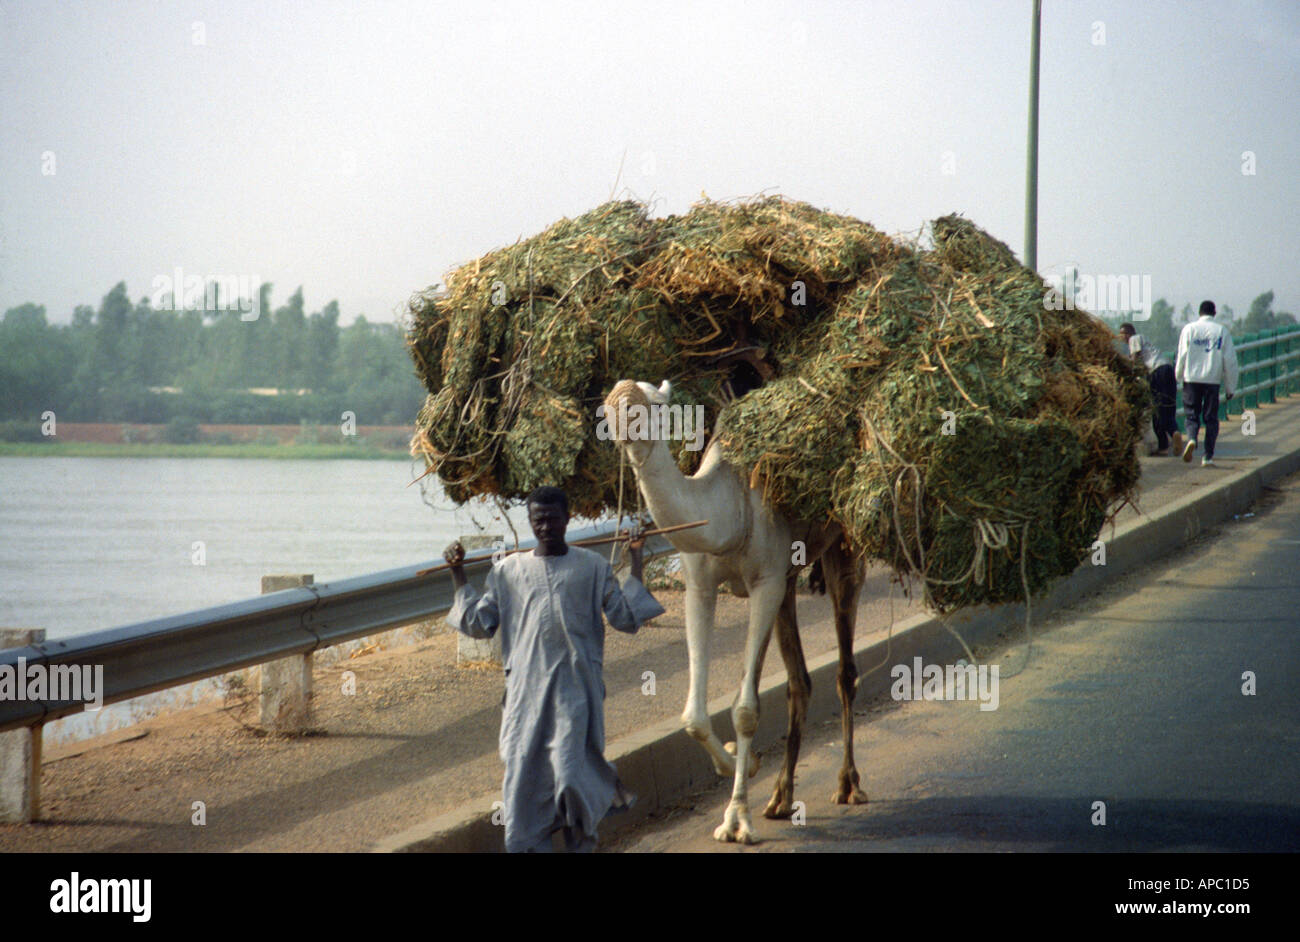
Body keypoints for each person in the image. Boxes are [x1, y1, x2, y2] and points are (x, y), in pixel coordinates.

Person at [443, 485, 665, 853]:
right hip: (524, 704)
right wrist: (458, 575)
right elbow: (480, 624)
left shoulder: (593, 568)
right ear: (530, 521)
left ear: (568, 518)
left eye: (553, 518)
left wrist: (637, 558)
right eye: (538, 519)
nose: (545, 526)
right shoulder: (507, 572)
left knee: (571, 778)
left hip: (576, 698)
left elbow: (625, 618)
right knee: (523, 788)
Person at [1175, 300, 1239, 467]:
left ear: (1199, 312)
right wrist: (1230, 387)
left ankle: (1191, 439)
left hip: (1191, 379)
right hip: (1212, 380)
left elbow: (1181, 355)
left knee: (1191, 414)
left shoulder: (1189, 329)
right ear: (1214, 313)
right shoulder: (1221, 331)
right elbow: (1230, 361)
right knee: (1211, 418)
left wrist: (1178, 376)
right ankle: (1207, 456)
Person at [1118, 323, 1182, 456]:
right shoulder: (1144, 339)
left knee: (1157, 410)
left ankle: (1166, 442)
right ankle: (1172, 434)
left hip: (1157, 372)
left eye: (1122, 333)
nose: (1121, 336)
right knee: (1168, 407)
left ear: (1128, 333)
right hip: (1168, 370)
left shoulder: (1133, 339)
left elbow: (1135, 361)